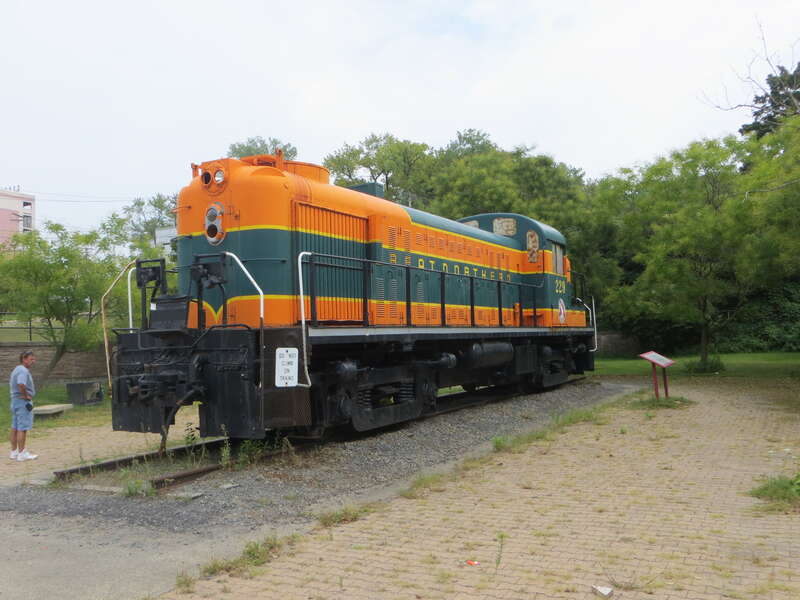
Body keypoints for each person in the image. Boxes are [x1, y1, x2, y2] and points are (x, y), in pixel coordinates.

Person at [9, 350, 37, 461]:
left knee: (15, 427)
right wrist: (26, 396)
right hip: (22, 403)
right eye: (31, 359)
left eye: (34, 359)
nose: (33, 361)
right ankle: (22, 454)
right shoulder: (23, 371)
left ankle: (14, 452)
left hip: (15, 401)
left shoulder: (16, 369)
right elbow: (21, 384)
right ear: (24, 359)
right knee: (23, 428)